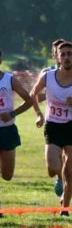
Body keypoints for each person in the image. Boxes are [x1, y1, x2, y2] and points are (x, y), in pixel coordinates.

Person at [0, 46, 33, 217]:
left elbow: (29, 100)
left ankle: (0, 165)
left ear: (0, 61)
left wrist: (12, 113)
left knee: (7, 175)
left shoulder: (9, 80)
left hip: (7, 129)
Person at [30, 41, 72, 215]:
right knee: (53, 168)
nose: (67, 57)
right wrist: (39, 114)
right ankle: (59, 180)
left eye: (70, 53)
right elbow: (33, 93)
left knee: (70, 172)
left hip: (71, 126)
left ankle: (65, 208)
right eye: (63, 54)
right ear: (57, 57)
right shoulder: (48, 76)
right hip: (53, 125)